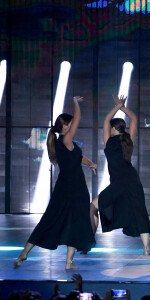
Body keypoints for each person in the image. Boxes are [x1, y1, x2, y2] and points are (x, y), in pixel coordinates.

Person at [13, 96, 97, 270]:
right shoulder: (65, 141)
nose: (73, 125)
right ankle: (59, 260)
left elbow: (78, 157)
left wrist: (90, 164)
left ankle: (31, 254)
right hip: (74, 188)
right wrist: (75, 102)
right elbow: (78, 118)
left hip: (69, 188)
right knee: (68, 221)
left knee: (59, 220)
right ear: (65, 126)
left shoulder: (64, 144)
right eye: (70, 123)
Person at [90, 95, 150, 255]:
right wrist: (121, 106)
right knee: (140, 212)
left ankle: (89, 240)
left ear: (112, 128)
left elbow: (106, 119)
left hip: (118, 183)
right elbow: (133, 118)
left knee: (92, 207)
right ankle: (146, 249)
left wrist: (118, 106)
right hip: (132, 180)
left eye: (109, 127)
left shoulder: (109, 141)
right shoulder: (128, 138)